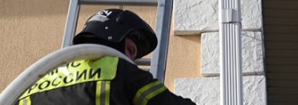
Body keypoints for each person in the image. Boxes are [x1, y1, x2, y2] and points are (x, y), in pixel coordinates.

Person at [17, 9, 197, 105]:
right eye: (131, 50)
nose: (131, 60)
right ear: (113, 37)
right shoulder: (118, 70)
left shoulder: (35, 84)